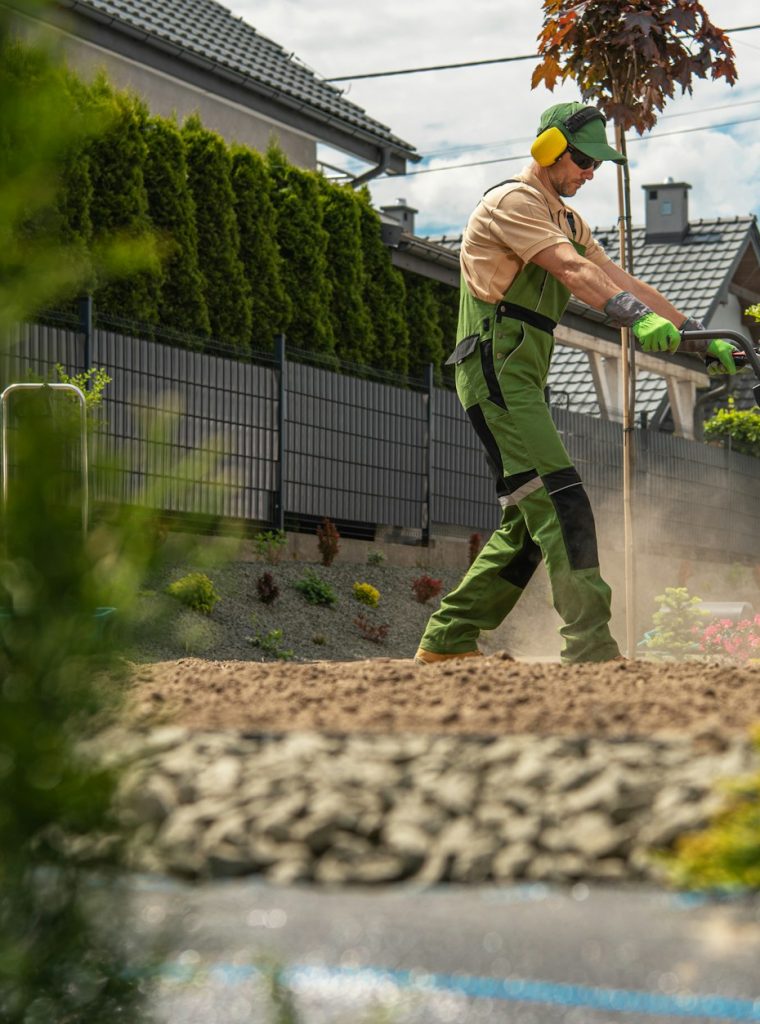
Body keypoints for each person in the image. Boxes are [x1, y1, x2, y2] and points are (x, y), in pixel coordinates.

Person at [415, 100, 737, 666]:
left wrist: (695, 335)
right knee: (563, 502)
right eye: (584, 161)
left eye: (596, 166)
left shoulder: (567, 220)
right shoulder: (512, 204)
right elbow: (573, 271)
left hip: (522, 378)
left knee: (526, 519)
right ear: (549, 150)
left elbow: (617, 278)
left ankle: (448, 640)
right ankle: (590, 646)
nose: (591, 174)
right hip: (494, 371)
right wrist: (636, 318)